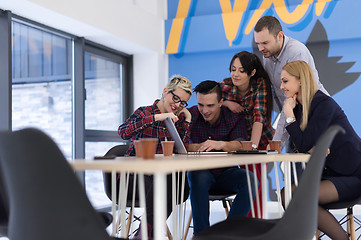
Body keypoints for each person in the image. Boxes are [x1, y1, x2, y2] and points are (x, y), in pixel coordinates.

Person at [281, 60, 361, 240]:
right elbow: (302, 145)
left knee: (303, 199)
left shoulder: (323, 103)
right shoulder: (299, 109)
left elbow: (303, 143)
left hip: (354, 175)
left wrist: (288, 117)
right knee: (287, 194)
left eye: (285, 81)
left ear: (300, 80)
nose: (281, 86)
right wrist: (311, 147)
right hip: (330, 175)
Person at [118, 75, 192, 239]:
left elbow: (181, 151)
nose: (178, 105)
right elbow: (123, 132)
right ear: (165, 92)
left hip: (160, 177)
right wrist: (158, 117)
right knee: (165, 186)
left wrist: (187, 120)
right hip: (133, 176)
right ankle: (146, 234)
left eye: (183, 102)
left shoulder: (177, 119)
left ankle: (144, 234)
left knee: (178, 185)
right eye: (176, 98)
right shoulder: (144, 112)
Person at [186, 80, 257, 236]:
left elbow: (240, 143)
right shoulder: (190, 115)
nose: (204, 110)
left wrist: (221, 144)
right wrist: (195, 146)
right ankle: (201, 236)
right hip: (200, 175)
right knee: (196, 175)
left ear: (220, 103)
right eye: (200, 105)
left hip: (226, 174)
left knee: (251, 180)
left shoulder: (232, 117)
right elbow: (179, 144)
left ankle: (227, 233)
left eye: (210, 105)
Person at [254, 15, 328, 149]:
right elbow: (278, 96)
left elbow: (290, 100)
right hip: (293, 119)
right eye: (258, 43)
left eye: (265, 43)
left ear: (280, 36)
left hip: (313, 116)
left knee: (315, 167)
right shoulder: (268, 56)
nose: (260, 48)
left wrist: (276, 143)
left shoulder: (296, 52)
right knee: (294, 166)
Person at [219, 51, 274, 218]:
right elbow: (212, 103)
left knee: (255, 180)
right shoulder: (224, 86)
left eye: (241, 71)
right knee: (248, 181)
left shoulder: (260, 84)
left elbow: (259, 116)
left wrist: (253, 148)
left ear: (252, 73)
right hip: (238, 140)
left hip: (259, 139)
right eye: (233, 69)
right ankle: (246, 224)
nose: (235, 74)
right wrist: (228, 103)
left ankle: (254, 224)